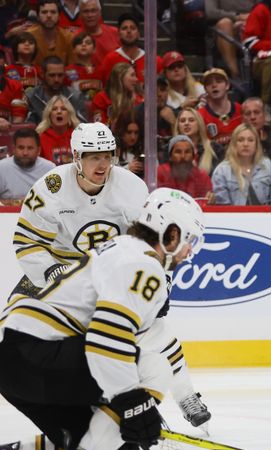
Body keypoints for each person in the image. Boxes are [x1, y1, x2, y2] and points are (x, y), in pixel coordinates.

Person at [0, 187, 205, 450]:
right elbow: (107, 338)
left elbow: (119, 337)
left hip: (17, 359)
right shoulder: (143, 263)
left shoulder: (124, 251)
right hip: (36, 350)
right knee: (153, 367)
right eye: (190, 240)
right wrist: (133, 402)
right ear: (172, 233)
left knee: (102, 446)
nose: (190, 252)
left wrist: (125, 413)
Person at [10, 123, 212, 429]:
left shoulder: (132, 188)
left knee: (153, 328)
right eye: (93, 157)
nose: (102, 164)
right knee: (14, 331)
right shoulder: (49, 188)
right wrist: (52, 271)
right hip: (60, 270)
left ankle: (186, 396)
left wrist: (161, 283)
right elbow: (27, 242)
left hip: (108, 270)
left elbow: (152, 242)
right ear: (76, 157)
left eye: (106, 155)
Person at [211, 123, 271, 205]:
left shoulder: (267, 165)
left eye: (250, 140)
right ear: (234, 144)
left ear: (256, 144)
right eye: (241, 140)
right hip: (234, 217)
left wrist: (270, 217)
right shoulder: (222, 171)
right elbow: (222, 208)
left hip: (266, 216)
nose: (245, 144)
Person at [97, 13, 162, 83]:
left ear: (138, 34)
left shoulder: (154, 61)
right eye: (124, 28)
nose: (129, 31)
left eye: (133, 28)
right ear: (118, 34)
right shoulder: (110, 60)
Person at [25, 55, 88, 124]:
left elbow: (82, 126)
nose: (56, 79)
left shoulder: (75, 96)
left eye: (60, 75)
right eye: (52, 75)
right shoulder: (31, 96)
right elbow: (29, 126)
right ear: (42, 74)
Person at [0, 128, 56, 202]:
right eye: (21, 148)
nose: (25, 153)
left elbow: (56, 199)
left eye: (30, 148)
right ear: (13, 149)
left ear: (38, 150)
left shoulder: (50, 168)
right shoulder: (2, 167)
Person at [157, 135, 214, 200]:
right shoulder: (160, 173)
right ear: (170, 156)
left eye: (187, 152)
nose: (183, 156)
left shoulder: (202, 177)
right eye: (178, 152)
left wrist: (211, 199)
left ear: (193, 156)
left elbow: (206, 202)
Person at [197, 68, 242, 147]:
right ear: (205, 89)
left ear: (227, 85)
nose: (214, 85)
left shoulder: (241, 110)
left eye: (218, 81)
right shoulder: (200, 115)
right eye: (209, 83)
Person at [175, 106, 224, 176]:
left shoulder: (215, 149)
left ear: (199, 124)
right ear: (178, 127)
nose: (186, 123)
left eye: (191, 120)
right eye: (182, 121)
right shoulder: (169, 150)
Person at [91, 62, 142, 127]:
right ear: (120, 77)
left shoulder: (138, 98)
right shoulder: (101, 98)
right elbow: (99, 129)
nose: (136, 79)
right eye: (132, 75)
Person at [35, 94, 80, 165]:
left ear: (69, 114)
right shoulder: (40, 137)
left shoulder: (79, 136)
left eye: (63, 109)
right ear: (49, 115)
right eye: (54, 109)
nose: (59, 112)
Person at [79, 0, 120, 66]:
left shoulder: (115, 33)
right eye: (86, 11)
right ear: (80, 15)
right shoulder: (74, 37)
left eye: (93, 11)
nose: (90, 15)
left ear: (100, 13)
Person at [65, 31, 103, 103]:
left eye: (88, 43)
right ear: (73, 49)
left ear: (94, 49)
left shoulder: (101, 70)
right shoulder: (67, 71)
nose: (83, 44)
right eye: (79, 43)